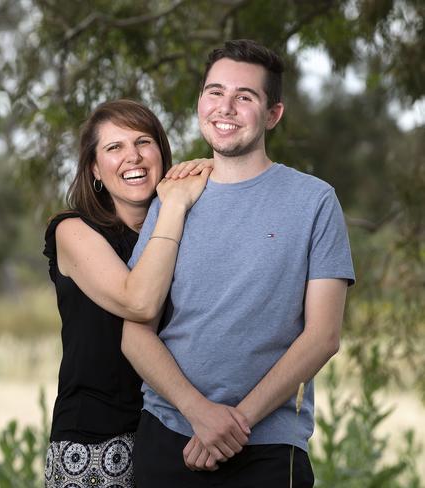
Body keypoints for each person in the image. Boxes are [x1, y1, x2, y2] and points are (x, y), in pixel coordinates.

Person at [122, 39, 355, 487]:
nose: (224, 107)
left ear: (272, 115)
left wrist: (232, 424)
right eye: (214, 92)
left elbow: (323, 336)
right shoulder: (172, 197)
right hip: (168, 435)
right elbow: (135, 330)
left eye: (244, 97)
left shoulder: (314, 201)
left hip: (268, 447)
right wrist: (198, 412)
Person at [42, 99, 211, 488]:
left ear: (161, 153)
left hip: (174, 433)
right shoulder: (71, 231)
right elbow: (139, 301)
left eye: (143, 142)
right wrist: (176, 203)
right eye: (114, 148)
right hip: (94, 444)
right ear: (95, 169)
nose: (132, 157)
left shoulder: (186, 228)